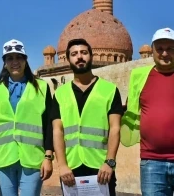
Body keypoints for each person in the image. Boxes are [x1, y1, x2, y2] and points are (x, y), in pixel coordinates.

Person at [121, 27, 174, 195]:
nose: (164, 53)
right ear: (152, 52)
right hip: (151, 161)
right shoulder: (138, 76)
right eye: (160, 49)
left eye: (170, 49)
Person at [52, 38, 123, 196]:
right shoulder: (60, 94)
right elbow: (58, 131)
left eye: (84, 53)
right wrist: (62, 165)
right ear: (68, 59)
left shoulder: (109, 90)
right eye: (74, 54)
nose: (79, 57)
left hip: (101, 167)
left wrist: (109, 162)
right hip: (71, 168)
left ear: (92, 56)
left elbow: (115, 128)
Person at [0, 39, 54, 196]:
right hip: (3, 158)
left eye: (19, 57)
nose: (15, 62)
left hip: (32, 158)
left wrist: (48, 156)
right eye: (10, 58)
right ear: (4, 62)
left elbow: (48, 124)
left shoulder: (41, 88)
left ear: (25, 60)